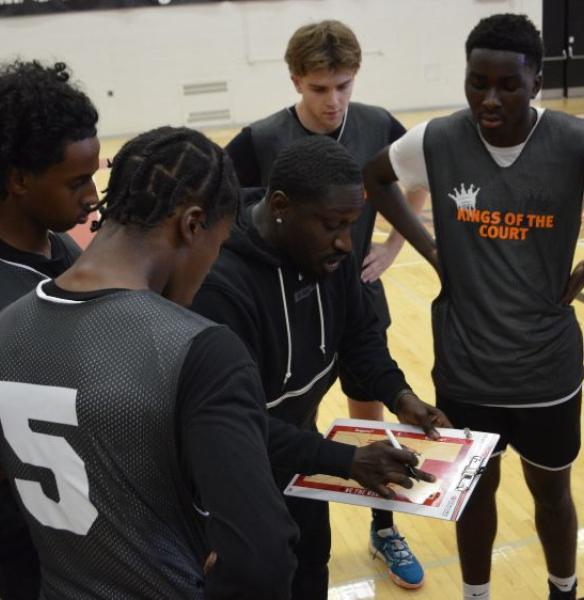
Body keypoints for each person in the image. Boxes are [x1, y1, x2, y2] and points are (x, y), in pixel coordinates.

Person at [0, 126, 299, 599]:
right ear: (193, 224)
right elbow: (263, 562)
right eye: (216, 247)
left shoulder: (7, 327)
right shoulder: (199, 350)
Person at [363, 13, 584, 600]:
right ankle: (477, 594)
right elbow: (374, 177)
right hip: (466, 368)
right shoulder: (437, 139)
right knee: (473, 494)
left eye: (508, 85)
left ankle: (562, 590)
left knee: (552, 494)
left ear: (537, 81)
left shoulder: (577, 143)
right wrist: (431, 250)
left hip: (546, 368)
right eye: (477, 82)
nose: (489, 98)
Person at [192, 136, 451, 600]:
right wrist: (345, 460)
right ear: (280, 206)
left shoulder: (329, 255)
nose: (345, 242)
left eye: (353, 224)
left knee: (311, 566)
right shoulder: (221, 287)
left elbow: (359, 336)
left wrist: (400, 395)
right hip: (233, 480)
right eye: (333, 224)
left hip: (299, 460)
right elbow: (237, 425)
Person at [225, 19, 428, 587]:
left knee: (372, 418)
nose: (333, 100)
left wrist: (391, 246)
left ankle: (385, 526)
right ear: (296, 81)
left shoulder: (377, 125)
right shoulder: (261, 140)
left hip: (350, 299)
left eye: (343, 85)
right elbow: (218, 207)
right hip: (280, 311)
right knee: (283, 418)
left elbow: (413, 179)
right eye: (319, 89)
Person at [0, 59, 100, 600]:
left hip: (72, 534)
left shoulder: (59, 244)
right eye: (77, 181)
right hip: (20, 550)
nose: (92, 197)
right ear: (18, 180)